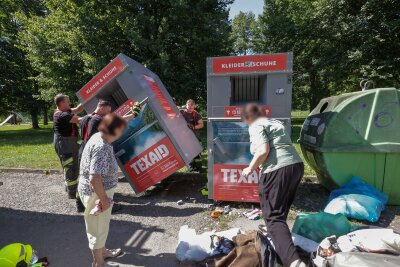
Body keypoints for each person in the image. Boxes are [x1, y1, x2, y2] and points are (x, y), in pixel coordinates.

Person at [240, 103, 305, 267]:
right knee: (279, 214)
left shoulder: (255, 125)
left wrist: (250, 168)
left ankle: (294, 262)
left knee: (273, 217)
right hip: (295, 166)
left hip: (278, 168)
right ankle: (282, 246)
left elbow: (263, 150)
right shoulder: (274, 122)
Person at [78, 113, 127, 267]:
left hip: (99, 192)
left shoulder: (99, 136)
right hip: (97, 195)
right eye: (122, 129)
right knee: (96, 229)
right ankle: (98, 263)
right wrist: (104, 199)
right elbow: (94, 178)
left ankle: (103, 251)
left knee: (101, 226)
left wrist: (130, 115)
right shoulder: (102, 147)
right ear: (116, 131)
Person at [53, 94, 84, 212]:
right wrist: (94, 116)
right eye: (67, 101)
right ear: (61, 104)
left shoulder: (65, 111)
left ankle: (70, 189)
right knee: (70, 166)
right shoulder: (62, 115)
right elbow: (79, 119)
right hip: (65, 143)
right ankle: (72, 193)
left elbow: (78, 109)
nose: (69, 103)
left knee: (73, 165)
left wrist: (86, 100)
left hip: (69, 141)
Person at [180, 99, 204, 172]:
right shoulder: (181, 113)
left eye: (192, 106)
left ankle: (199, 168)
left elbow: (201, 125)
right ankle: (191, 167)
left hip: (195, 137)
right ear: (186, 105)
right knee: (188, 153)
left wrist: (193, 127)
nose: (190, 107)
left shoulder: (196, 114)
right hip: (184, 138)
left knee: (197, 153)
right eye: (189, 105)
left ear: (194, 106)